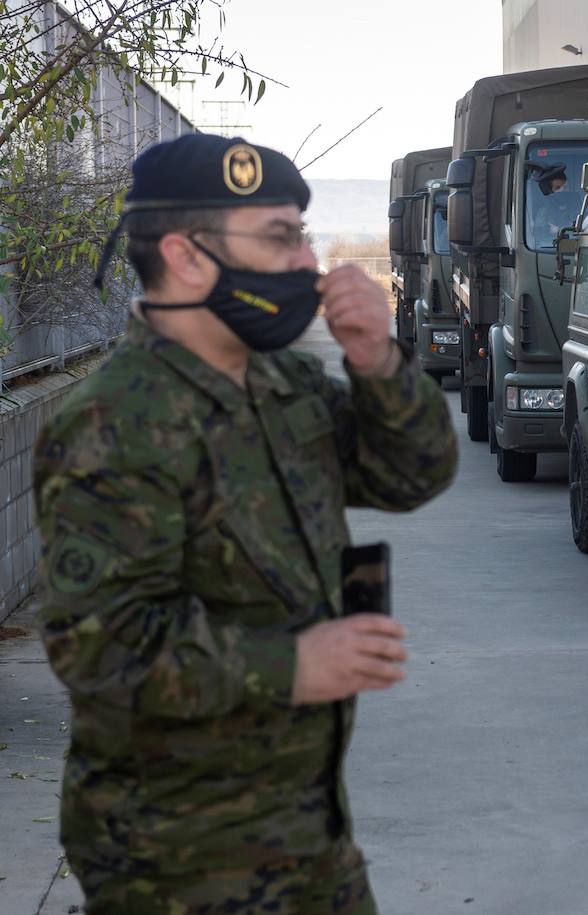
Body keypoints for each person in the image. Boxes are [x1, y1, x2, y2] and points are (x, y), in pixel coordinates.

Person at [34, 134, 458, 913]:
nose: (308, 260)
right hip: (177, 863)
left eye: (304, 234)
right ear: (187, 258)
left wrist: (378, 362)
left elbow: (412, 474)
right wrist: (293, 664)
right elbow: (100, 645)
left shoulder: (283, 381)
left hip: (308, 835)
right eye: (280, 236)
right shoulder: (114, 421)